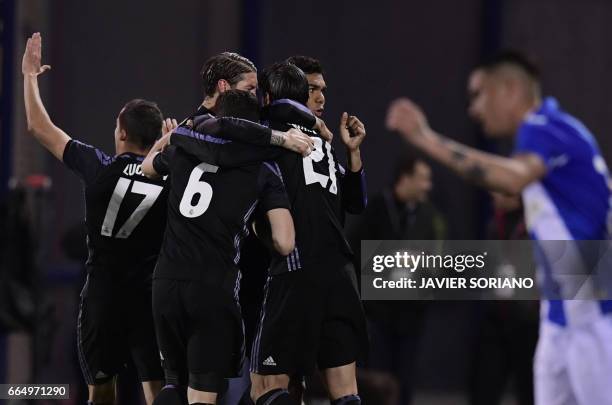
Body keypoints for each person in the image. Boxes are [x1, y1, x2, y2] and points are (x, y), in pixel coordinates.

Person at [387, 51, 612, 405]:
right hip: (560, 317)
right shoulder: (554, 134)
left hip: (593, 316)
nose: (473, 109)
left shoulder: (545, 126)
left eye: (479, 94)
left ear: (509, 89)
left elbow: (512, 178)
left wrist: (424, 138)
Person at [22, 33, 171, 405]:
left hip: (103, 296)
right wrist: (173, 150)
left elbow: (40, 129)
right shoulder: (172, 178)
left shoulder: (100, 167)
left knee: (101, 393)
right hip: (148, 297)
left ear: (121, 132)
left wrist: (29, 77)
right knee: (157, 393)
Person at [142, 89, 296, 405]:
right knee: (202, 395)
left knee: (173, 386)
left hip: (166, 283)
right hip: (213, 288)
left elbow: (147, 168)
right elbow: (284, 241)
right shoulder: (264, 169)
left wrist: (168, 138)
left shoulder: (184, 149)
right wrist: (253, 224)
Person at [349, 155, 444, 405]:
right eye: (423, 179)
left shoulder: (428, 215)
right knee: (377, 382)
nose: (428, 186)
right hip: (377, 317)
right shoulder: (376, 209)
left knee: (405, 381)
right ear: (405, 179)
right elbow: (355, 256)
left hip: (411, 317)